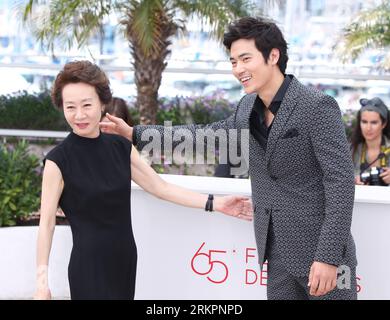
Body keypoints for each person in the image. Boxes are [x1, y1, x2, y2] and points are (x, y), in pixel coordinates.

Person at [101, 17, 357, 300]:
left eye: (245, 59)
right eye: (233, 61)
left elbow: (341, 182)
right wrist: (134, 133)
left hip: (324, 257)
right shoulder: (247, 107)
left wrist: (329, 257)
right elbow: (203, 135)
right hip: (275, 254)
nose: (238, 69)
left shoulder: (317, 106)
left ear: (273, 56)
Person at [34, 60, 253, 300]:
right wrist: (41, 283)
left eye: (87, 105)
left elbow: (161, 188)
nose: (79, 115)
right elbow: (47, 224)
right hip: (89, 266)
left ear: (102, 103)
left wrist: (217, 204)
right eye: (70, 107)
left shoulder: (120, 147)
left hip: (124, 259)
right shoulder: (58, 161)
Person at [351, 97, 390, 186]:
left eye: (374, 122)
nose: (368, 128)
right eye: (364, 122)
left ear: (384, 124)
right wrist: (352, 182)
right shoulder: (351, 149)